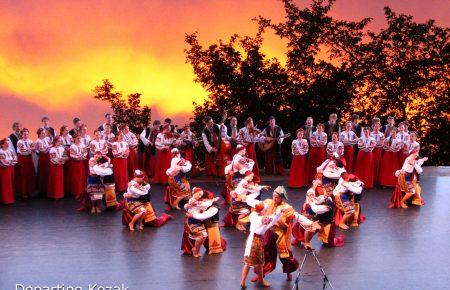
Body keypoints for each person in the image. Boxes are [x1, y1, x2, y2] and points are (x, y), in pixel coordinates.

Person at [256, 186, 299, 282]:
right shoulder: (268, 202)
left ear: (281, 198)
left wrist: (276, 218)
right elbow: (258, 207)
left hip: (280, 234)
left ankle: (289, 272)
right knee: (266, 252)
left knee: (285, 257)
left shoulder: (287, 208)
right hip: (270, 232)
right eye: (273, 196)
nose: (274, 199)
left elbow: (285, 224)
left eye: (276, 197)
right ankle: (261, 274)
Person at [240, 202, 282, 289]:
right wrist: (279, 212)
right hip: (255, 241)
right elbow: (271, 219)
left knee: (259, 262)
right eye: (265, 210)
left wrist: (277, 214)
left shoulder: (254, 214)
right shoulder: (261, 219)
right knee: (249, 262)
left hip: (255, 239)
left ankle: (260, 280)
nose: (266, 211)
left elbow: (271, 219)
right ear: (263, 211)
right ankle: (243, 281)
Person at [292, 180, 343, 248]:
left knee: (328, 245)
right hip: (317, 220)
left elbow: (316, 209)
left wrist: (311, 202)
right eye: (326, 191)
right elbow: (312, 197)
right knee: (305, 225)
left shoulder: (329, 203)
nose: (328, 193)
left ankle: (336, 240)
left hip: (326, 223)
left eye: (330, 191)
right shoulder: (320, 197)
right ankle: (304, 241)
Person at [182, 187, 225, 257]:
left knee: (206, 237)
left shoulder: (213, 208)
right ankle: (195, 249)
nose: (201, 199)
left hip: (210, 225)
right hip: (195, 222)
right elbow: (189, 205)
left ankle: (197, 249)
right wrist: (188, 206)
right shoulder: (195, 201)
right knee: (201, 235)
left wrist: (192, 214)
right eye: (200, 197)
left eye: (202, 198)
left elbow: (203, 215)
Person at [16, 128, 36, 199]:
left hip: (29, 158)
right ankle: (23, 192)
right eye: (24, 134)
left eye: (27, 134)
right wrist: (30, 149)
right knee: (23, 175)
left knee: (29, 174)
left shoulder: (30, 141)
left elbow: (33, 150)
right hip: (22, 159)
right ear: (22, 134)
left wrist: (30, 149)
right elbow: (22, 151)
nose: (26, 135)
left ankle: (29, 191)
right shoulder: (19, 142)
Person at [68, 134, 88, 200]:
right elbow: (72, 154)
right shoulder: (72, 146)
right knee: (76, 177)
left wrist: (82, 156)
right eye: (77, 138)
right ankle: (76, 192)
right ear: (74, 139)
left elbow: (85, 152)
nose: (78, 139)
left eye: (79, 138)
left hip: (81, 163)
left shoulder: (82, 145)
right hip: (75, 163)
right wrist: (77, 157)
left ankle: (82, 191)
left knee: (81, 176)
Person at [0, 139, 17, 204]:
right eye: (6, 143)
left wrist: (12, 163)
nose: (8, 144)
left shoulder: (10, 150)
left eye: (8, 143)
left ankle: (10, 199)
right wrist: (10, 163)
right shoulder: (0, 152)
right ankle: (5, 200)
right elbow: (2, 162)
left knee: (10, 183)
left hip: (10, 168)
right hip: (4, 169)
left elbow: (15, 158)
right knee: (5, 184)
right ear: (2, 144)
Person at [35, 128, 52, 195]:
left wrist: (49, 146)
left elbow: (50, 145)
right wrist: (49, 146)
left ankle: (48, 188)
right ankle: (42, 190)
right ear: (39, 134)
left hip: (48, 156)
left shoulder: (47, 138)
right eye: (42, 133)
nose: (44, 134)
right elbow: (43, 151)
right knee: (43, 172)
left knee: (48, 172)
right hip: (43, 158)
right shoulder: (38, 141)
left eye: (44, 133)